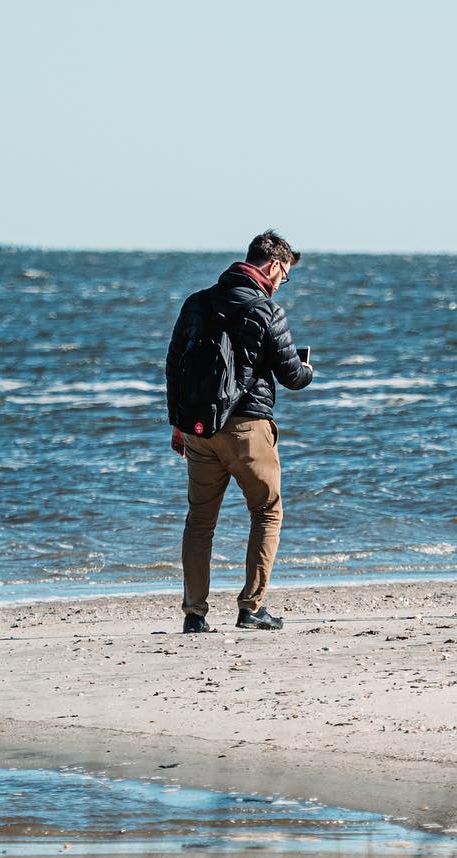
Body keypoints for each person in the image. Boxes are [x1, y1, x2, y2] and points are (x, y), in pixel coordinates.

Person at [165, 230, 314, 633]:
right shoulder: (267, 311)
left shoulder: (196, 303)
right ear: (273, 265)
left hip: (200, 427)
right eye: (285, 274)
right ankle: (251, 608)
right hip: (249, 427)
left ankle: (195, 615)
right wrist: (309, 370)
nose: (283, 282)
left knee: (199, 522)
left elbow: (174, 366)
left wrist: (178, 424)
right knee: (267, 511)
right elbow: (291, 376)